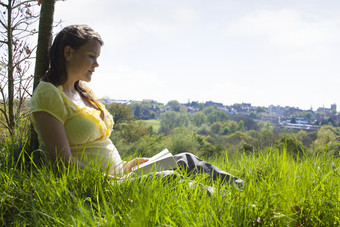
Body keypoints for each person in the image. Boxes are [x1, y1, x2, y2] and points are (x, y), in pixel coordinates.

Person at [29, 24, 243, 187]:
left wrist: (126, 166)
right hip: (100, 184)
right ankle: (229, 203)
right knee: (169, 178)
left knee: (184, 159)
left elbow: (100, 146)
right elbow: (62, 162)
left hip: (119, 174)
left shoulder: (83, 92)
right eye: (92, 56)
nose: (97, 64)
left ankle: (241, 188)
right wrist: (111, 179)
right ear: (68, 53)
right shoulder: (49, 94)